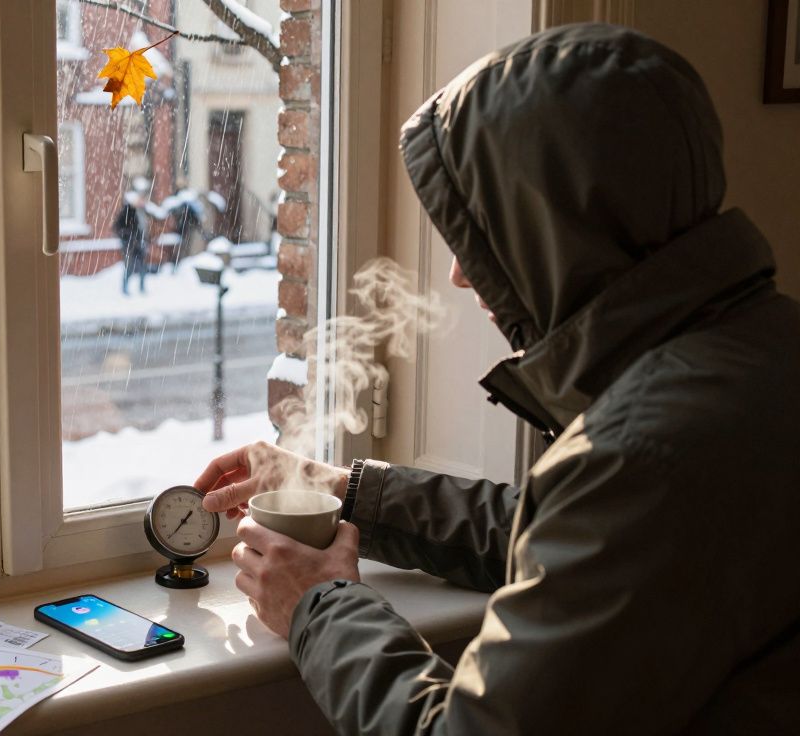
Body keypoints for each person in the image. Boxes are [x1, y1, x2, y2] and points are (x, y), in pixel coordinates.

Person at [195, 24, 800, 735]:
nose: (457, 271)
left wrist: (318, 604)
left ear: (556, 229)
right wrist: (347, 493)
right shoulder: (758, 348)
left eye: (479, 232)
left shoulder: (647, 454)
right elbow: (569, 532)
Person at [113, 191, 149, 295]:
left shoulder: (142, 211)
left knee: (143, 265)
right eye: (140, 199)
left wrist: (145, 239)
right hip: (129, 243)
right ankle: (124, 287)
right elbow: (117, 228)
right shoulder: (127, 211)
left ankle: (142, 287)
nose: (142, 201)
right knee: (130, 266)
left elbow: (143, 227)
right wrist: (128, 237)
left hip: (139, 242)